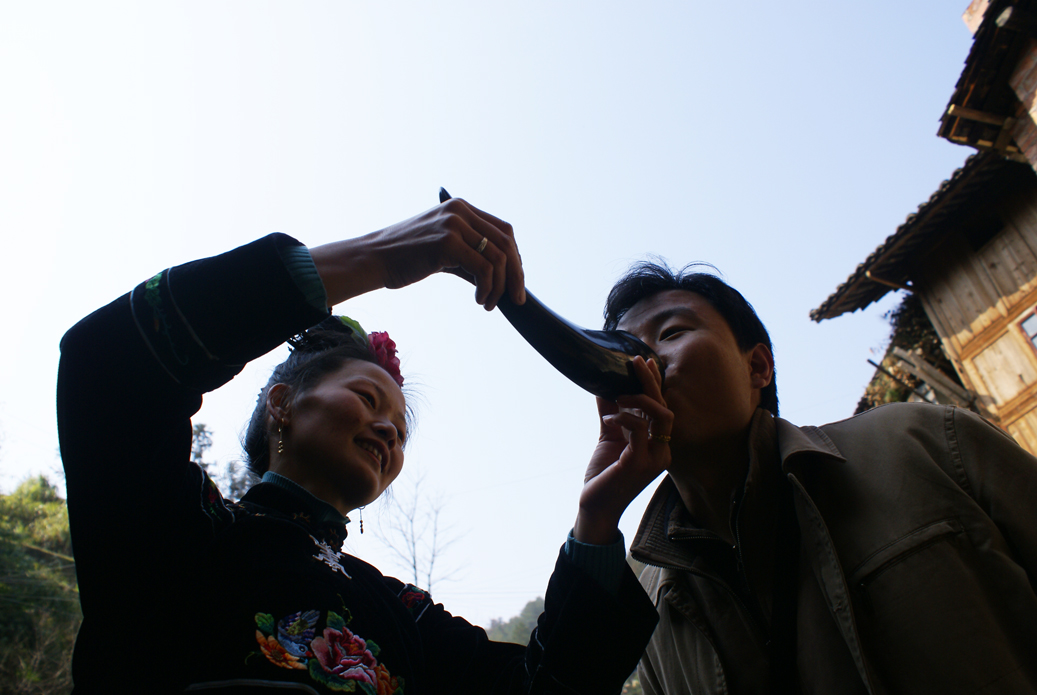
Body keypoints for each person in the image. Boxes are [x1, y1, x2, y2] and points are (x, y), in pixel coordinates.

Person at [56, 198, 661, 693]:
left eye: (400, 428)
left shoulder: (403, 613)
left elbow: (543, 688)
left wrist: (598, 516)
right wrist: (379, 257)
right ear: (281, 404)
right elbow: (108, 364)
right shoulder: (186, 531)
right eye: (368, 399)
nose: (389, 431)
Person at [595, 262, 1037, 695]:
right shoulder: (650, 609)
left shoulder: (928, 443)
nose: (644, 366)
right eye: (625, 353)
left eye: (672, 333)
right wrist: (594, 519)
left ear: (758, 367)